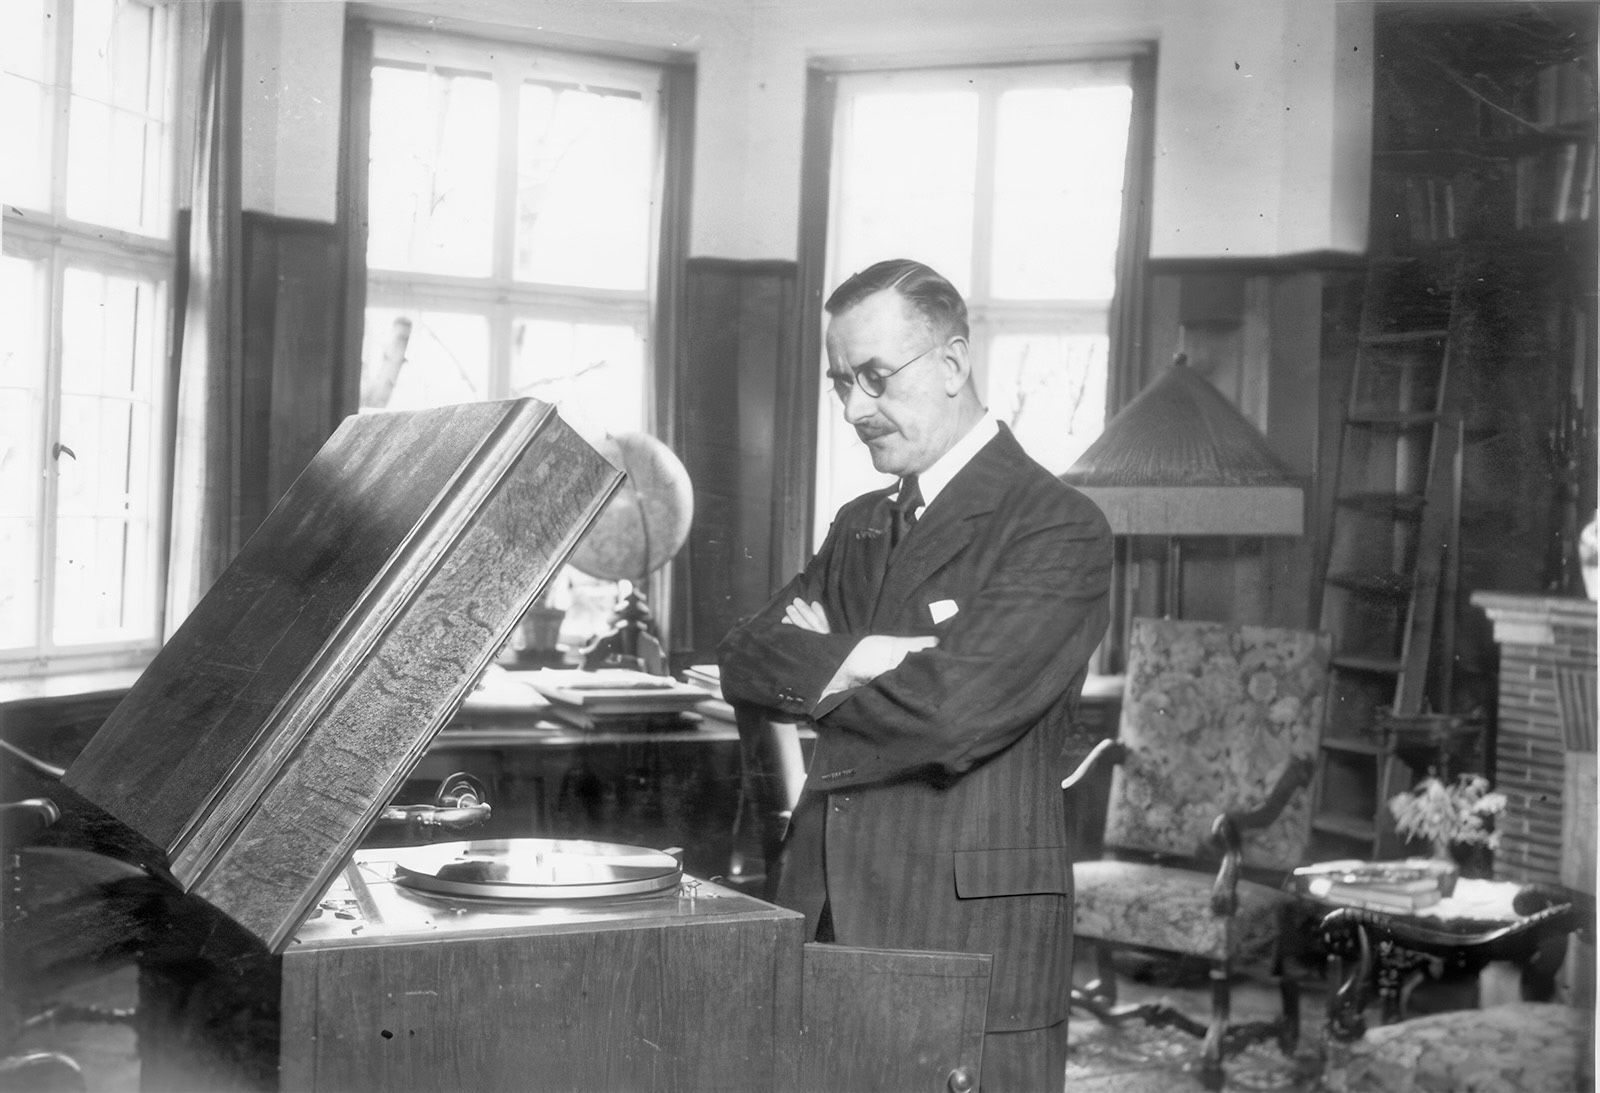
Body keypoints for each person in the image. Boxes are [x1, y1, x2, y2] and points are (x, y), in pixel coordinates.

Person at [717, 258, 1113, 1091]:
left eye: (874, 376)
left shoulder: (1059, 525)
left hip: (966, 938)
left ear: (953, 362)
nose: (854, 409)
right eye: (841, 383)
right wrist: (879, 655)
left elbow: (948, 713)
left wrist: (830, 659)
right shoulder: (860, 523)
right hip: (821, 912)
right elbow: (745, 657)